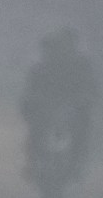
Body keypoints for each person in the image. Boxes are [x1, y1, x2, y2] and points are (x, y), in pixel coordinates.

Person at [21, 28, 98, 165]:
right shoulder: (41, 68)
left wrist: (85, 98)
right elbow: (31, 90)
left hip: (72, 107)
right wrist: (32, 101)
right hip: (47, 108)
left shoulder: (81, 65)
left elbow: (90, 86)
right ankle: (33, 160)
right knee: (36, 130)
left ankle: (79, 159)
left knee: (81, 129)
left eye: (66, 45)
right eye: (55, 47)